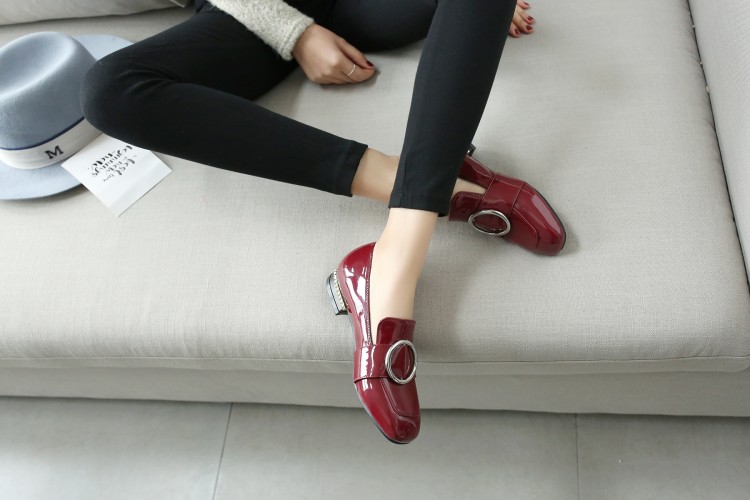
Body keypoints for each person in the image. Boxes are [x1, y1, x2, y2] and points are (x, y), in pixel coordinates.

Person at [81, 0, 565, 444]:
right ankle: (445, 188)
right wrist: (295, 31)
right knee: (109, 90)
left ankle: (392, 264)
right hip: (256, 12)